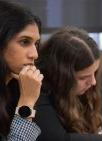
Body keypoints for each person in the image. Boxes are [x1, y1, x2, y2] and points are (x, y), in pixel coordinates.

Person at [0, 0, 43, 141]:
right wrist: (27, 101)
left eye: (36, 43)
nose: (34, 54)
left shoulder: (15, 85)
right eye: (24, 42)